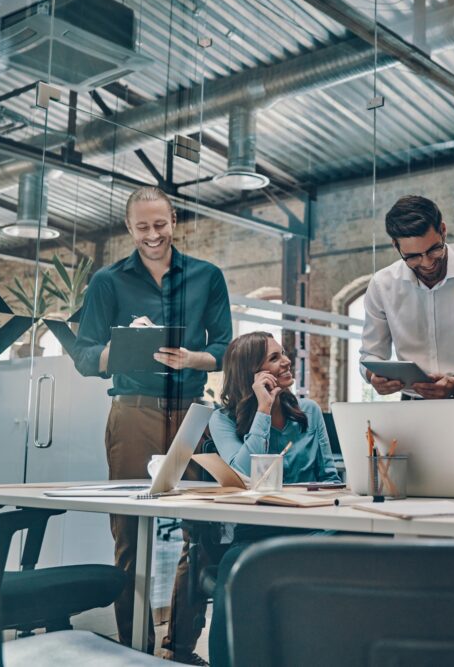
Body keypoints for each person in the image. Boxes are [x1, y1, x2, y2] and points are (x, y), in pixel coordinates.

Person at [72, 186, 232, 663]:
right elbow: (83, 355)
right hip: (132, 410)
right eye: (142, 227)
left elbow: (225, 346)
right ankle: (134, 649)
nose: (152, 235)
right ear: (129, 228)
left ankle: (180, 647)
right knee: (129, 532)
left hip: (189, 412)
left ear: (174, 220)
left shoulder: (207, 276)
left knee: (201, 531)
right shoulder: (107, 281)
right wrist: (120, 351)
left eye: (159, 225)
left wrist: (193, 358)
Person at [206, 330, 340, 667]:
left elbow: (332, 479)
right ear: (251, 372)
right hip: (256, 531)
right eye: (275, 357)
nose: (287, 361)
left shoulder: (307, 410)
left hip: (311, 527)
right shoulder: (222, 420)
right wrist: (264, 411)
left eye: (284, 354)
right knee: (234, 566)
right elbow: (244, 474)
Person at [360, 195, 454, 399]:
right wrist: (372, 376)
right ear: (396, 245)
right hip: (412, 403)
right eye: (413, 256)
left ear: (443, 231)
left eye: (434, 250)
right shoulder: (382, 285)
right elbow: (370, 354)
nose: (427, 263)